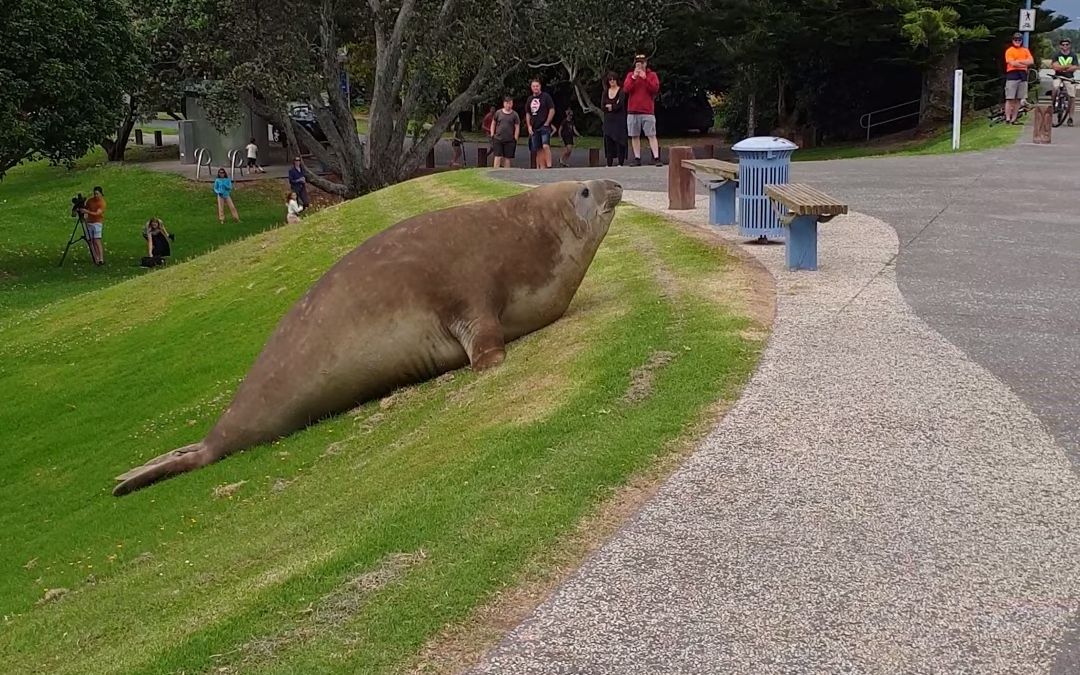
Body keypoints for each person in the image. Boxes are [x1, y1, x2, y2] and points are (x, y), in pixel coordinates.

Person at [623, 54, 662, 166]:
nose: (639, 65)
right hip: (633, 111)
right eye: (637, 63)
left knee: (651, 135)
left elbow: (655, 89)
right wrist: (634, 78)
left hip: (647, 111)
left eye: (641, 63)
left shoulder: (652, 75)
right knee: (634, 135)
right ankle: (637, 158)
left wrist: (645, 78)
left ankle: (656, 157)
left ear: (645, 64)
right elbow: (626, 89)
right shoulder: (630, 75)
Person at [1004, 32, 1034, 125]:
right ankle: (1008, 118)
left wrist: (1018, 62)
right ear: (1013, 40)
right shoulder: (1010, 50)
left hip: (1023, 76)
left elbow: (1031, 61)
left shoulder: (1025, 50)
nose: (1017, 41)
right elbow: (1012, 63)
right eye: (1016, 40)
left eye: (1019, 40)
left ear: (1021, 41)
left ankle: (1014, 118)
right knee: (1010, 98)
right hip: (1012, 75)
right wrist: (1023, 63)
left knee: (1018, 99)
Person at [525, 78, 556, 169]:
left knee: (545, 145)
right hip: (534, 126)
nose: (535, 88)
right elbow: (528, 113)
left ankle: (549, 165)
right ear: (531, 87)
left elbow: (552, 109)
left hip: (544, 126)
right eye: (534, 86)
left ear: (540, 87)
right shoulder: (530, 99)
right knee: (538, 149)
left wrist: (547, 122)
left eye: (537, 86)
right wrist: (529, 126)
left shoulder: (546, 97)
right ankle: (542, 167)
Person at [601, 71, 628, 167]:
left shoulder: (621, 91)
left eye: (613, 79)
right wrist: (612, 106)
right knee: (608, 141)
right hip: (608, 120)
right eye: (610, 79)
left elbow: (620, 105)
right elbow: (603, 106)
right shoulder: (605, 92)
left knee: (619, 141)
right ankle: (609, 163)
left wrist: (611, 107)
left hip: (619, 120)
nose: (612, 81)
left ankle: (620, 162)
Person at [1052, 37, 1079, 126]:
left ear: (1070, 45)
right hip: (1058, 76)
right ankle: (1053, 105)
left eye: (1067, 44)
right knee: (1055, 87)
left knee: (1072, 96)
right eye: (1063, 45)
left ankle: (1070, 117)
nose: (1065, 46)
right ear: (1060, 46)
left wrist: (1062, 68)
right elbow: (1055, 67)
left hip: (1069, 77)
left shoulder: (1073, 55)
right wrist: (1067, 67)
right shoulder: (1056, 54)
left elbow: (1075, 67)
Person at [79, 185, 106, 265]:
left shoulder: (102, 203)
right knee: (91, 241)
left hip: (97, 222)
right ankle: (95, 257)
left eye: (97, 194)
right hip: (89, 222)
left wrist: (87, 212)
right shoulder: (90, 201)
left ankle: (101, 258)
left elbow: (97, 214)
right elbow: (86, 208)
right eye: (95, 194)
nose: (96, 195)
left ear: (101, 194)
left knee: (97, 240)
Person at [490, 95, 520, 169]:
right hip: (498, 138)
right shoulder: (498, 113)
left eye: (510, 103)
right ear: (504, 104)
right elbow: (493, 123)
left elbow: (517, 126)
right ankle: (495, 172)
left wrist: (515, 137)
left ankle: (506, 174)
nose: (508, 105)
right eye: (507, 103)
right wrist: (492, 134)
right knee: (497, 156)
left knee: (507, 158)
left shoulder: (515, 115)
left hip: (509, 139)